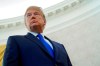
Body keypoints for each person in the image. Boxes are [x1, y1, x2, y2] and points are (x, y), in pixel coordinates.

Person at [3, 6, 72, 66]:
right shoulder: (15, 41)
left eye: (36, 14)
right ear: (26, 24)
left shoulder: (60, 47)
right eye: (29, 15)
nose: (32, 16)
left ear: (44, 21)